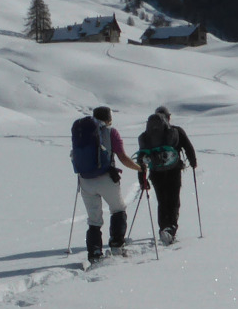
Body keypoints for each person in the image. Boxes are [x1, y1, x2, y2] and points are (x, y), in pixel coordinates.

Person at [77, 105, 142, 261]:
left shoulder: (81, 131)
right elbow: (123, 158)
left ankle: (94, 253)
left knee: (94, 220)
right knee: (118, 209)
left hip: (85, 180)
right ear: (108, 118)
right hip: (106, 178)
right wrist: (139, 168)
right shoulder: (111, 132)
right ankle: (116, 245)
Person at [136, 106, 198, 244]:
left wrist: (142, 179)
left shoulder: (147, 136)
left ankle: (163, 227)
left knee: (162, 201)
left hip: (156, 173)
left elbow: (142, 158)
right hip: (173, 170)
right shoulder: (176, 131)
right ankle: (171, 228)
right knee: (173, 200)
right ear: (168, 117)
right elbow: (188, 147)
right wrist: (193, 162)